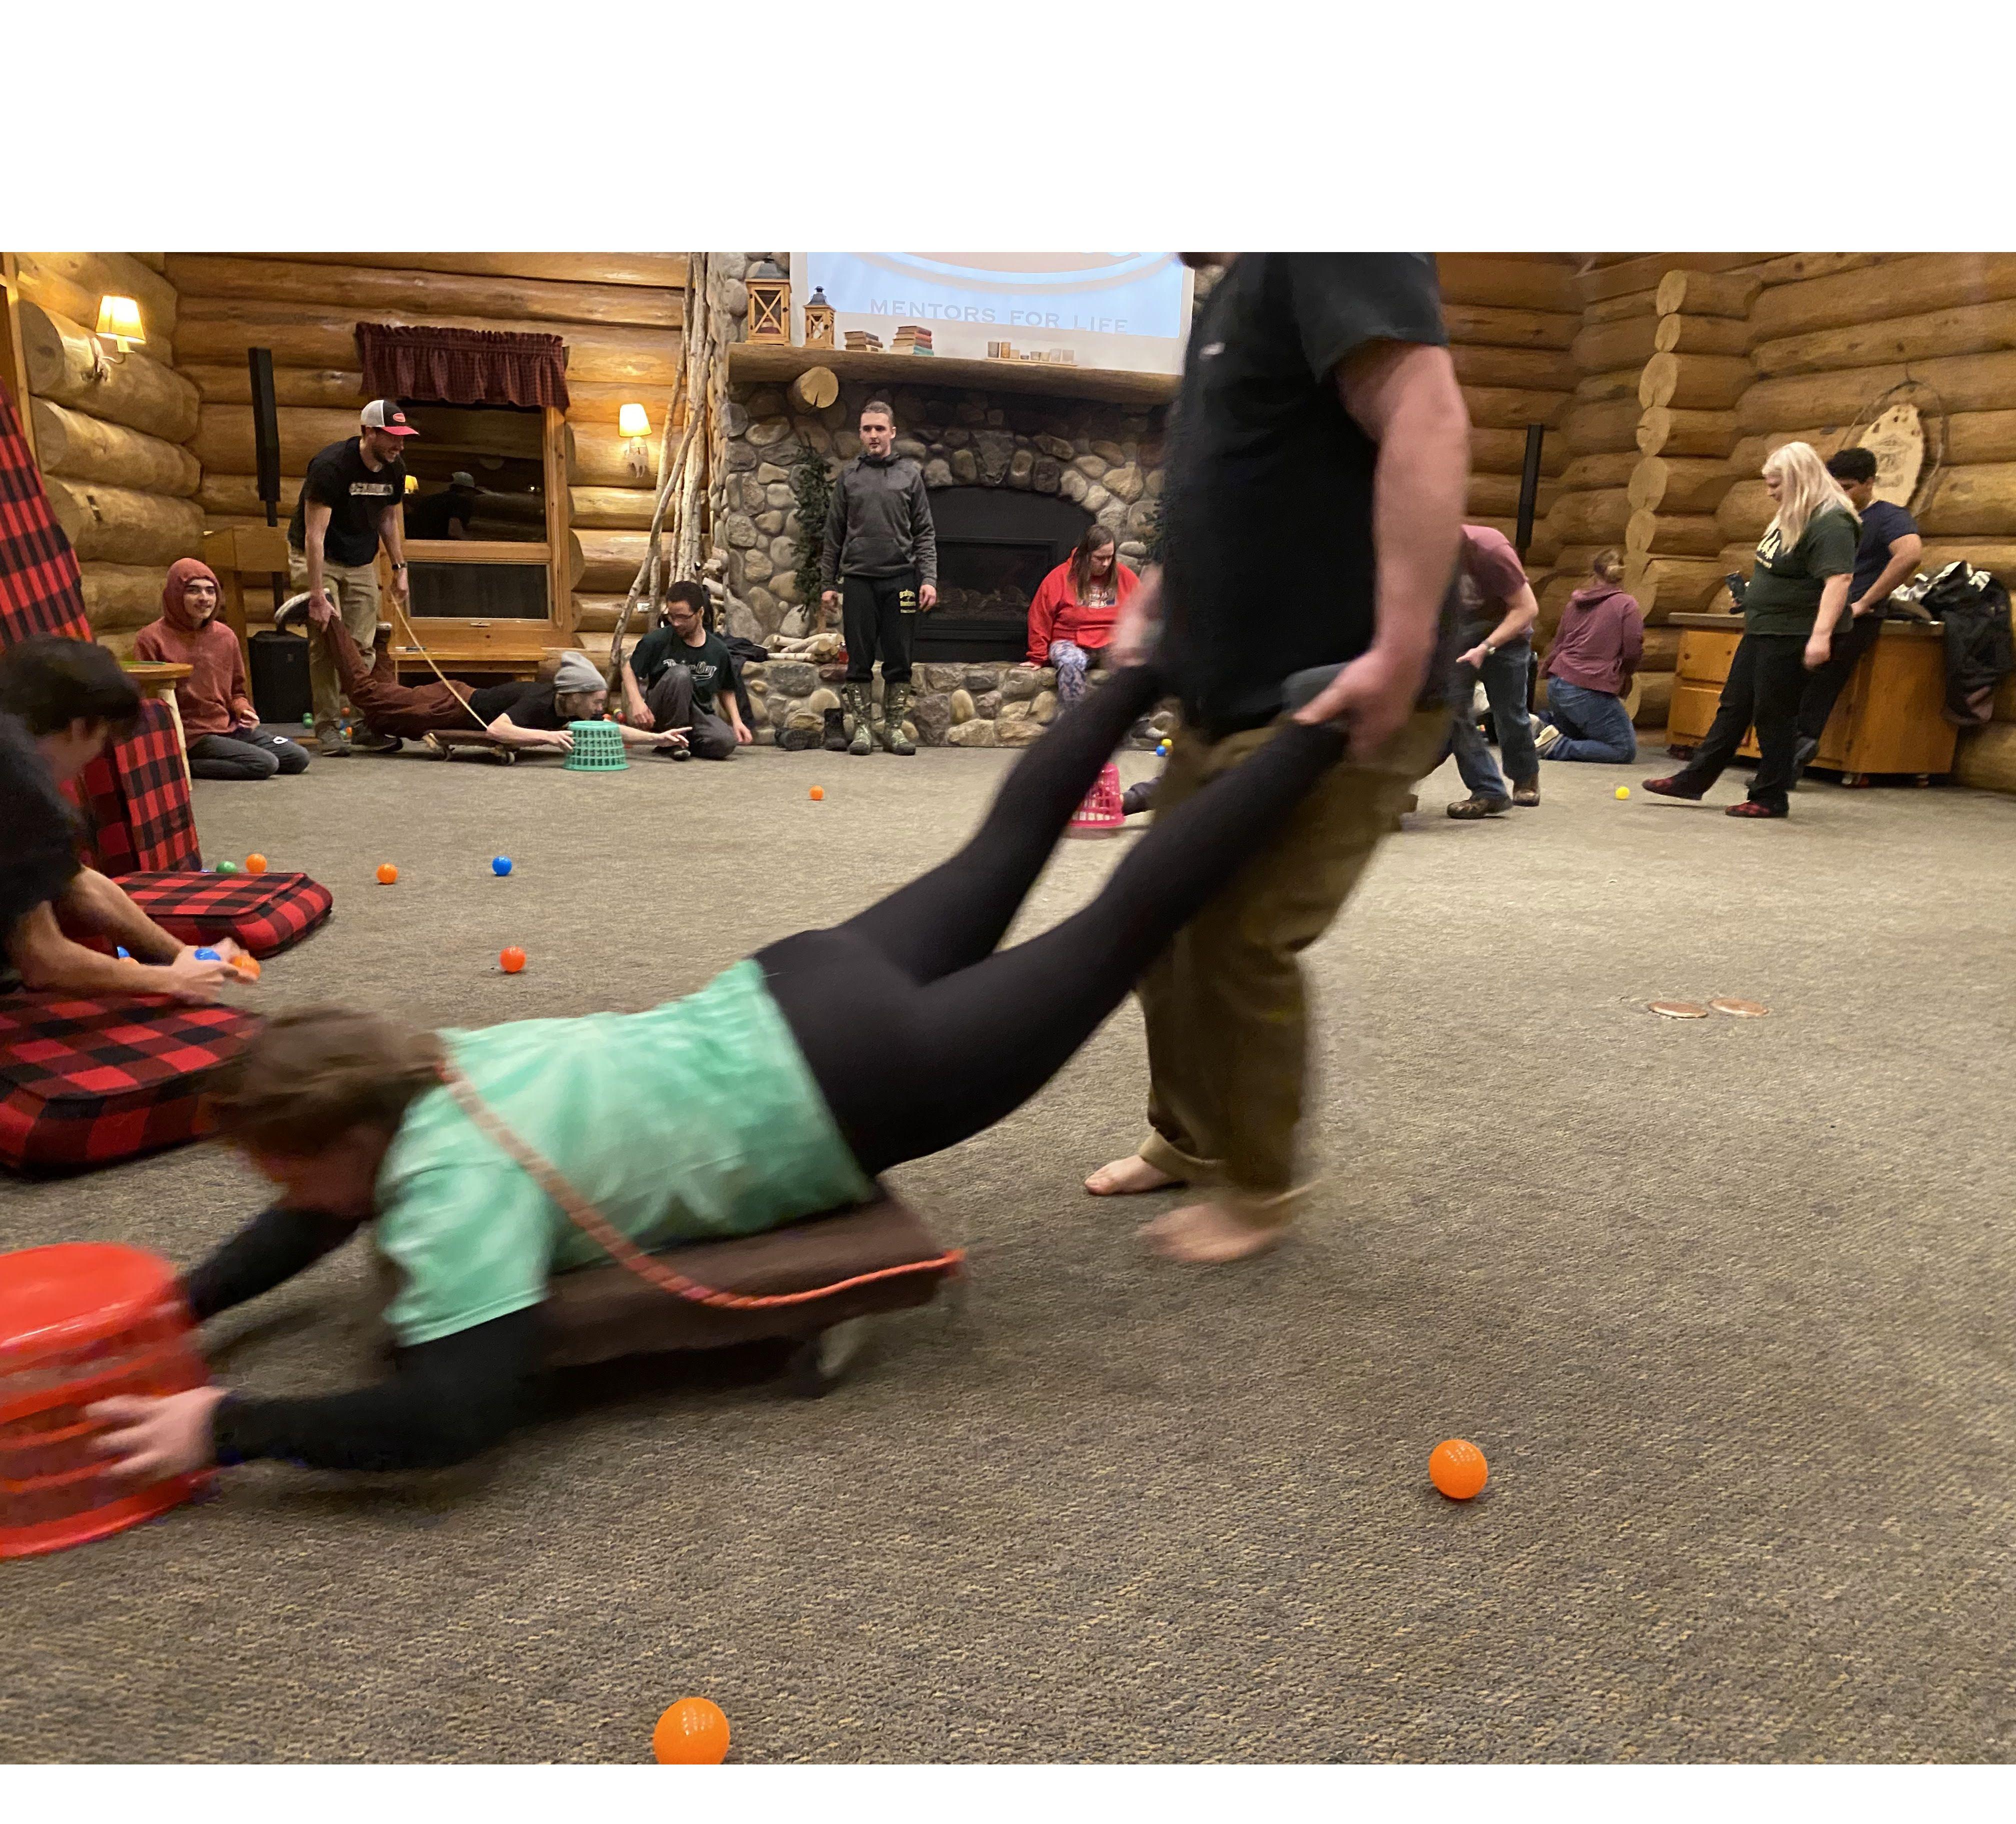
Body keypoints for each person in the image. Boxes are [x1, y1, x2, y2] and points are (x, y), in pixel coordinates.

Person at [84, 655, 1371, 1481]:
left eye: (276, 1161)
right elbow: (312, 1207)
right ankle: (1148, 658)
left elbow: (452, 1415)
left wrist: (228, 1422)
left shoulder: (452, 1194)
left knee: (1123, 920)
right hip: (795, 981)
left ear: (343, 1145)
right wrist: (183, 1307)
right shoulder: (433, 1065)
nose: (278, 1188)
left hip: (864, 1077)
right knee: (1006, 851)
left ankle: (1324, 723)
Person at [1082, 253, 1468, 1264]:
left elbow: (1425, 415)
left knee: (1239, 935)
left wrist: (1397, 644)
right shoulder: (1231, 291)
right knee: (1156, 919)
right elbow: (1238, 470)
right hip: (1229, 691)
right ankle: (1188, 1138)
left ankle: (1259, 1188)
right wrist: (1159, 593)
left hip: (1336, 692)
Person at [0, 635, 252, 1002]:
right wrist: (171, 981)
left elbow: (76, 882)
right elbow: (44, 960)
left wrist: (182, 955)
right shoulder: (24, 785)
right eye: (103, 738)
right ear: (79, 726)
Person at [1645, 442, 1858, 819]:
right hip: (1764, 627)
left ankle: (1771, 795)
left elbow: (1838, 580)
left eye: (1776, 485)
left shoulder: (1831, 521)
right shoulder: (1794, 516)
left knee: (1774, 713)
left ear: (1798, 480)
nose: (1770, 492)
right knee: (1734, 705)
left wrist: (1821, 636)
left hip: (1794, 632)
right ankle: (1695, 779)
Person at [287, 399, 416, 758]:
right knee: (328, 642)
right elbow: (315, 535)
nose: (399, 445)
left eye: (403, 438)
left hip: (360, 559)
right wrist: (316, 596)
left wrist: (400, 569)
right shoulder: (331, 467)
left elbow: (388, 520)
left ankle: (363, 724)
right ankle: (328, 727)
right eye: (392, 437)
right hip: (319, 556)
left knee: (362, 645)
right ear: (369, 432)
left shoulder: (394, 467)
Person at [1794, 446, 1924, 775]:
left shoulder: (1889, 517)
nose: (1842, 494)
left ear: (1870, 483)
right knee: (1791, 680)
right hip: (1814, 611)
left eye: (1849, 487)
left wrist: (1865, 602)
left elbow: (1909, 555)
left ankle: (1793, 756)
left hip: (1855, 616)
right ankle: (1786, 754)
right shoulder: (1828, 515)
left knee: (1820, 683)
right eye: (1834, 486)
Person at [819, 400, 938, 756]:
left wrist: (928, 578)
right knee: (859, 659)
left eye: (880, 429)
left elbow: (925, 533)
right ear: (860, 433)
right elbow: (833, 534)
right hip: (858, 580)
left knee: (899, 658)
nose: (873, 435)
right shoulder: (849, 476)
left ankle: (893, 729)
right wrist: (828, 584)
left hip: (901, 580)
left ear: (892, 432)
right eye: (867, 429)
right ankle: (863, 731)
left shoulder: (909, 475)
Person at [136, 559, 310, 781]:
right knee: (265, 764)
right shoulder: (151, 638)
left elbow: (237, 691)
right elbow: (148, 700)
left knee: (298, 757)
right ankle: (184, 764)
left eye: (211, 591)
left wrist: (243, 709)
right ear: (175, 594)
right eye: (193, 591)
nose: (204, 599)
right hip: (193, 735)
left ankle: (216, 757)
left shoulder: (225, 636)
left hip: (228, 727)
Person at [1443, 523, 1542, 817]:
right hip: (1460, 630)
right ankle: (1489, 789)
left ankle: (1525, 778)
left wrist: (1485, 648)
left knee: (1508, 711)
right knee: (1450, 709)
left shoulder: (1490, 550)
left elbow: (1527, 608)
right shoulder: (1424, 555)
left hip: (1508, 631)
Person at [618, 581, 752, 761]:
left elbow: (726, 689)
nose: (676, 623)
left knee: (726, 742)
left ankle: (680, 743)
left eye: (683, 617)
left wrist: (737, 722)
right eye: (672, 617)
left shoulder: (718, 650)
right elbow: (629, 667)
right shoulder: (657, 640)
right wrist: (637, 703)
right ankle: (673, 741)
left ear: (700, 613)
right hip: (662, 712)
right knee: (681, 673)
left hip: (698, 714)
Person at [1532, 549, 1644, 764]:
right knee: (1622, 748)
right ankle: (1556, 746)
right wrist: (1626, 674)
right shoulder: (1627, 605)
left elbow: (1559, 643)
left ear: (1593, 574)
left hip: (1558, 685)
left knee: (1580, 735)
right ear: (1623, 574)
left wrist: (1547, 672)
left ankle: (1543, 728)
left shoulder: (1574, 604)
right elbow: (1633, 649)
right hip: (1587, 689)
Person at [466, 652, 683, 757]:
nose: (601, 708)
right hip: (457, 704)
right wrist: (548, 736)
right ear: (576, 696)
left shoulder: (578, 710)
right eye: (597, 702)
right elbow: (496, 730)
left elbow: (611, 729)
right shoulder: (538, 701)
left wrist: (657, 738)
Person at [1026, 527, 1142, 706]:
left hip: (1110, 642)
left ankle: (1141, 723)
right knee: (1071, 662)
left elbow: (1142, 612)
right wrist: (1037, 656)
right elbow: (1040, 617)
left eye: (1110, 558)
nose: (1105, 564)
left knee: (1135, 663)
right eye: (1100, 558)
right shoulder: (1060, 577)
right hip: (1070, 642)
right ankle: (1073, 724)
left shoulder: (1124, 576)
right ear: (1086, 555)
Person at [404, 471, 478, 542]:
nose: (473, 496)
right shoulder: (461, 501)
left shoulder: (430, 500)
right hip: (434, 546)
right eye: (473, 492)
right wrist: (474, 543)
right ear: (466, 490)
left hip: (413, 543)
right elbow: (454, 531)